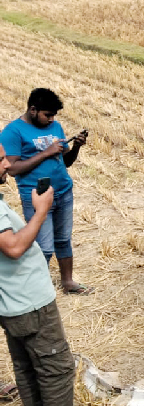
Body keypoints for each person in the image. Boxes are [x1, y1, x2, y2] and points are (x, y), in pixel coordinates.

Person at [0, 145, 107, 406]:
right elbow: (14, 247)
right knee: (56, 366)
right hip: (29, 303)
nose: (7, 165)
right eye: (0, 160)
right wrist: (42, 210)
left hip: (12, 302)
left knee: (27, 366)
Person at [0, 88, 91, 295]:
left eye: (54, 116)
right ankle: (39, 289)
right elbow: (11, 169)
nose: (52, 119)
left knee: (63, 239)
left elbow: (65, 162)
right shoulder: (13, 132)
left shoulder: (55, 126)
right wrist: (46, 152)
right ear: (33, 110)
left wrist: (76, 147)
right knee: (44, 246)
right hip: (36, 196)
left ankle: (68, 282)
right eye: (47, 115)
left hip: (63, 191)